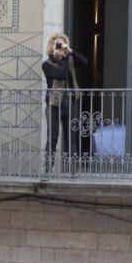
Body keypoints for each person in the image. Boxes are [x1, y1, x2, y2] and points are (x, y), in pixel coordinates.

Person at [41, 33, 82, 169]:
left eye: (62, 45)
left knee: (71, 137)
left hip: (70, 102)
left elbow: (84, 62)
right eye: (58, 45)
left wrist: (70, 51)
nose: (61, 47)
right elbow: (62, 74)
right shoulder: (47, 64)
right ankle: (48, 169)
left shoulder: (69, 59)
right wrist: (60, 59)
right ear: (51, 47)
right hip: (54, 104)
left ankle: (73, 170)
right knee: (53, 137)